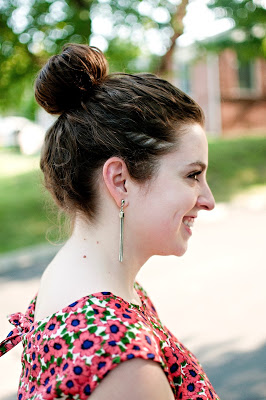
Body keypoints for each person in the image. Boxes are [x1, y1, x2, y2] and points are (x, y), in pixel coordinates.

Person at [0, 44, 219, 400]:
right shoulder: (122, 359)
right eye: (193, 175)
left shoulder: (72, 280)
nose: (208, 200)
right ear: (120, 180)